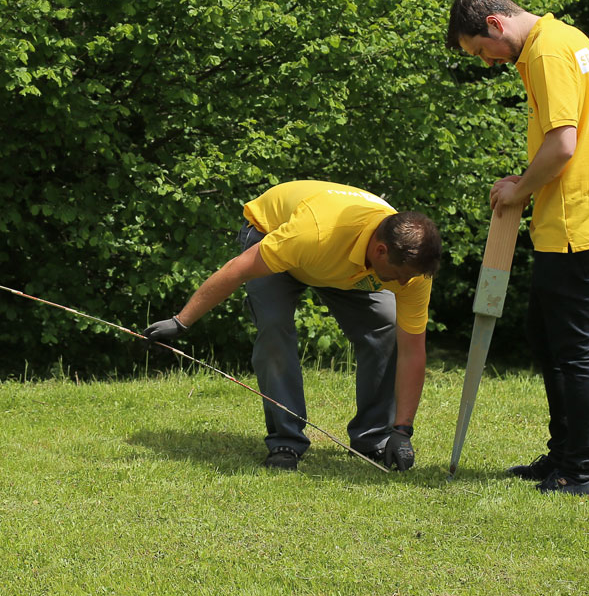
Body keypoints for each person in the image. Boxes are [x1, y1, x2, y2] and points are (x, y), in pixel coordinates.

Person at [446, 0, 589, 497]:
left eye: (482, 51)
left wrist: (518, 190)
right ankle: (562, 456)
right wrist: (527, 186)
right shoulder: (563, 39)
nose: (486, 63)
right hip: (579, 216)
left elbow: (563, 144)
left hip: (577, 222)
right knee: (545, 336)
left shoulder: (548, 51)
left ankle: (580, 472)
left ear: (496, 24)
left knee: (573, 350)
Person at [142, 180, 442, 472]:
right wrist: (181, 322)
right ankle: (286, 442)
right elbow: (237, 270)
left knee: (387, 327)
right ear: (380, 251)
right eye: (400, 275)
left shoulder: (412, 273)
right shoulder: (314, 233)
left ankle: (374, 439)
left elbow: (412, 351)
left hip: (337, 264)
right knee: (274, 328)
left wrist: (402, 430)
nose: (404, 284)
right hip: (276, 235)